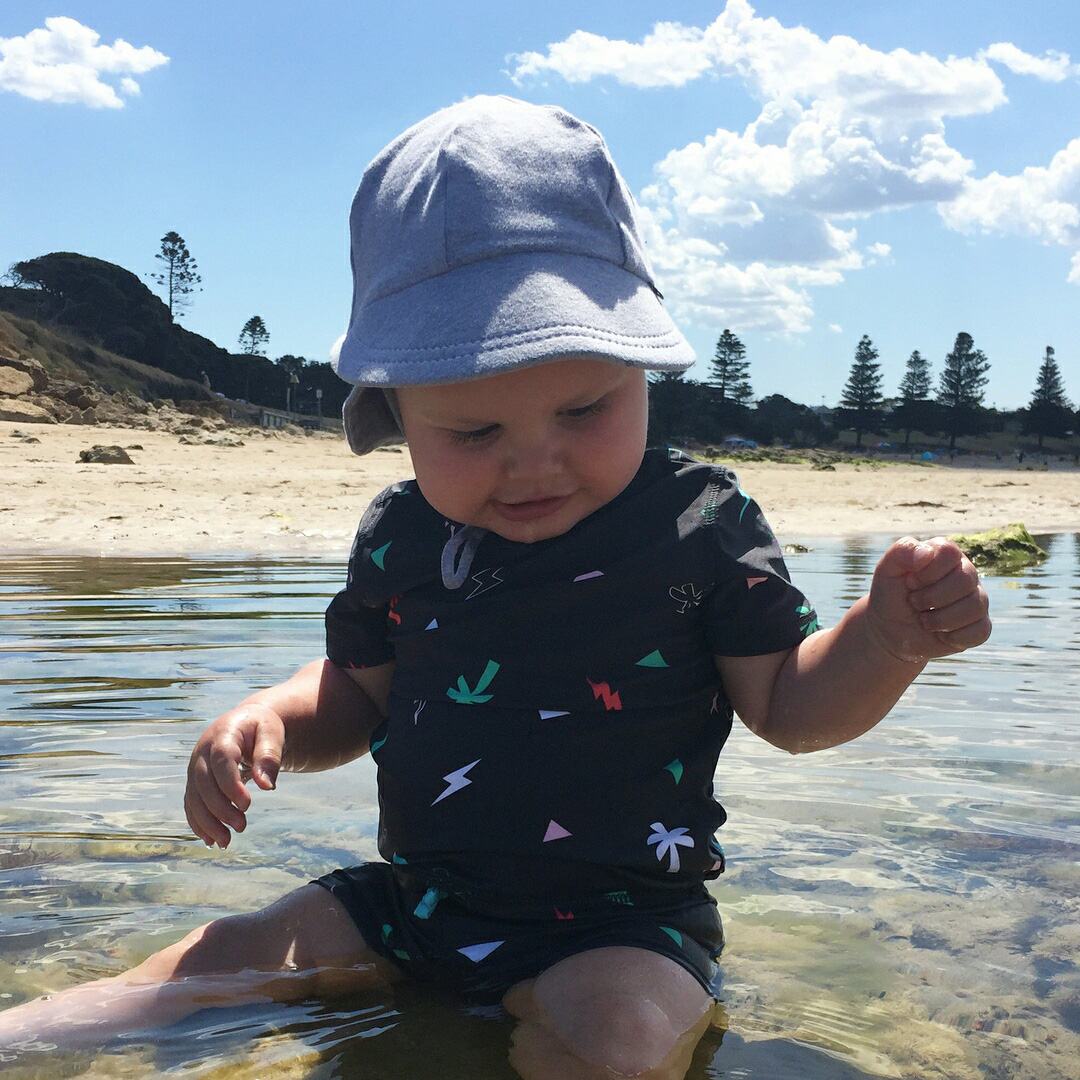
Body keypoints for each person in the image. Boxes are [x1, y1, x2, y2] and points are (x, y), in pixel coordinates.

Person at [0, 96, 991, 1079]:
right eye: (475, 433)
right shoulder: (403, 533)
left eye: (583, 407)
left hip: (628, 926)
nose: (533, 463)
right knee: (214, 963)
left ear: (642, 368)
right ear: (396, 411)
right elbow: (357, 695)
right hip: (417, 902)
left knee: (615, 1045)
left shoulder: (699, 520)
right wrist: (268, 719)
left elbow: (791, 705)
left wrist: (884, 641)